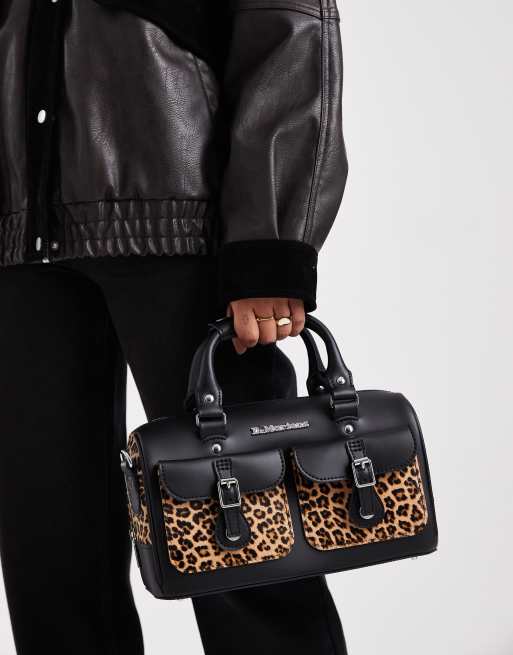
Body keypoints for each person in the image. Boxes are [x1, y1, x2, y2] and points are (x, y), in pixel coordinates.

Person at [0, 1, 348, 653]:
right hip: (20, 236)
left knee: (244, 536)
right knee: (48, 547)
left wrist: (269, 243)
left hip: (184, 231)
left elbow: (288, 27)